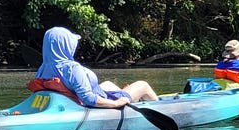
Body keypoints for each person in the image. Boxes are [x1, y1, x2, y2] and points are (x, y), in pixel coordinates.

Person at [30, 26, 159, 108]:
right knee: (143, 85)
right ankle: (161, 107)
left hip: (85, 96)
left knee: (108, 84)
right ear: (65, 46)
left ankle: (131, 99)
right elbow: (89, 99)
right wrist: (116, 103)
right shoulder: (72, 69)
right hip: (101, 100)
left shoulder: (42, 69)